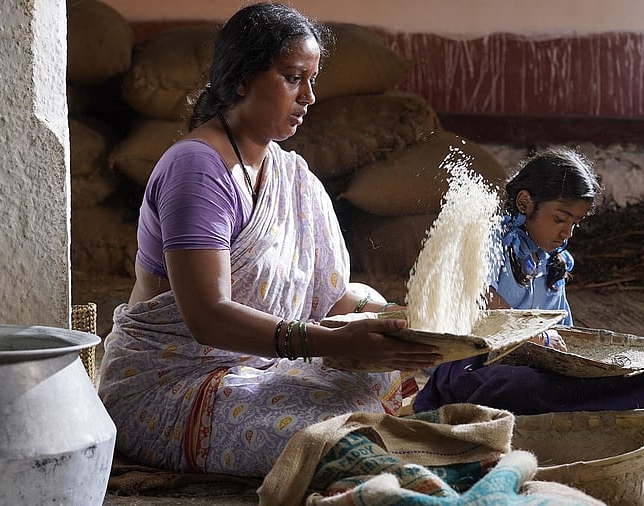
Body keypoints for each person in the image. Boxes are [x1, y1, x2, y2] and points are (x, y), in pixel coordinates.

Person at [96, 2, 440, 477]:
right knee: (331, 442)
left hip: (258, 369)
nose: (310, 97)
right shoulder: (197, 168)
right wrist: (336, 345)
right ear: (242, 80)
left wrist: (420, 326)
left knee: (371, 322)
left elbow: (334, 299)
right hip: (174, 382)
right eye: (294, 77)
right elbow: (207, 318)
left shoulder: (290, 174)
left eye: (312, 79)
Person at [413, 148, 644, 436]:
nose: (567, 232)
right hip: (480, 365)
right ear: (525, 203)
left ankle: (622, 413)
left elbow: (562, 337)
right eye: (560, 219)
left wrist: (638, 355)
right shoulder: (487, 240)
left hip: (538, 368)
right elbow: (481, 305)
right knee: (514, 387)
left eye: (574, 223)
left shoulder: (554, 262)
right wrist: (533, 334)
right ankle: (626, 414)